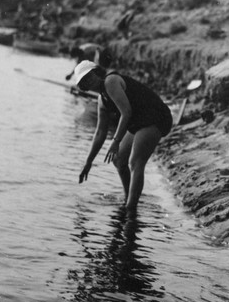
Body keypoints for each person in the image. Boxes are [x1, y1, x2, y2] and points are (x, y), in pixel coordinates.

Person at [73, 60, 173, 211]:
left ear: (96, 72)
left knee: (135, 162)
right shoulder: (102, 100)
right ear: (83, 86)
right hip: (138, 122)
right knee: (119, 159)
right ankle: (129, 199)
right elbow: (100, 132)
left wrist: (115, 141)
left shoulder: (111, 81)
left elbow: (126, 113)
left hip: (156, 117)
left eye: (90, 75)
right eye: (84, 80)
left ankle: (131, 210)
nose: (89, 80)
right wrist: (88, 163)